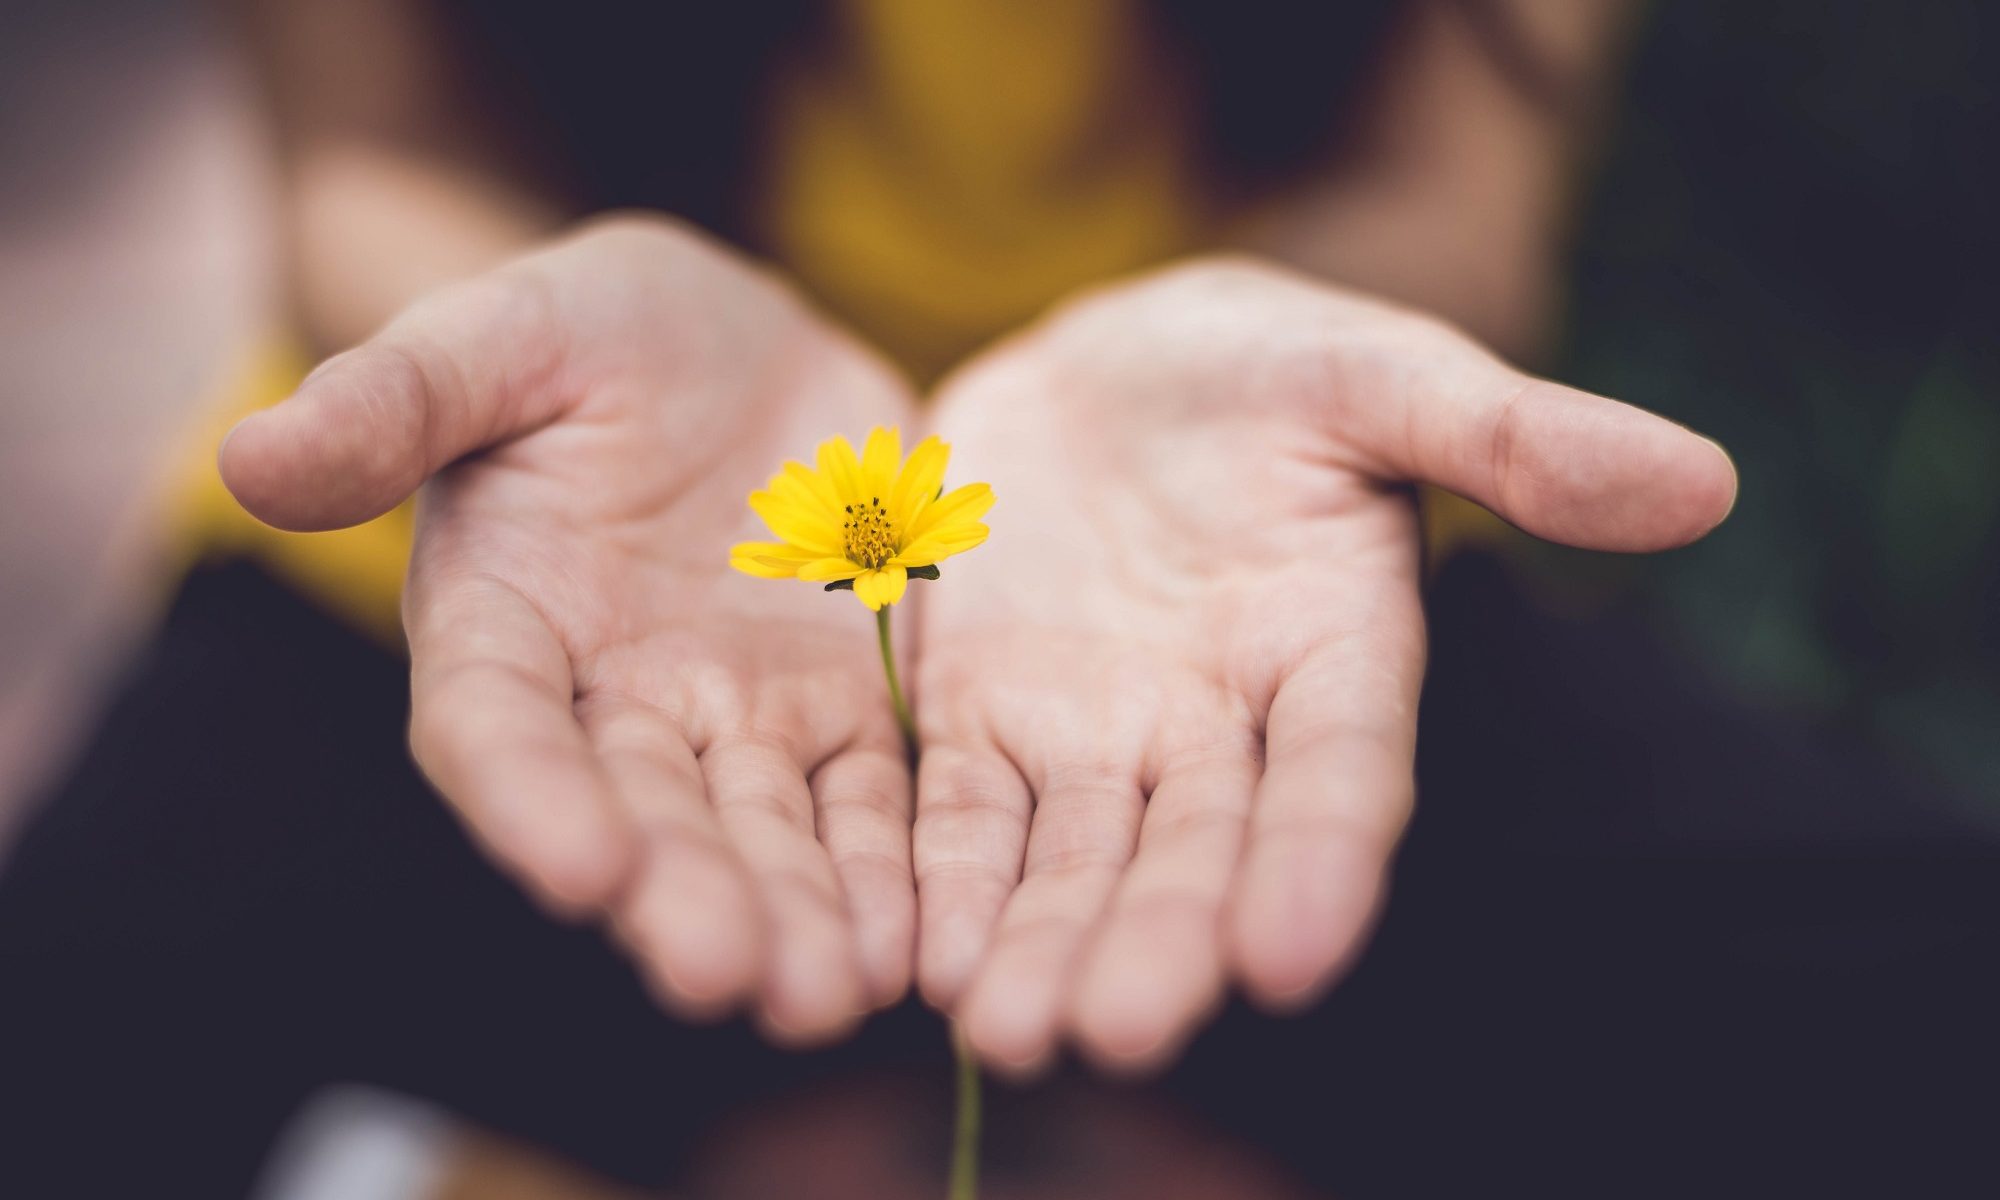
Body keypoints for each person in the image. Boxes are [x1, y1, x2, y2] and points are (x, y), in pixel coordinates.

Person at [7, 2, 1988, 1196]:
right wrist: (504, 349)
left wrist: (1293, 334)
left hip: (1213, 594)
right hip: (535, 577)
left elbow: (1448, 190)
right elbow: (371, 148)